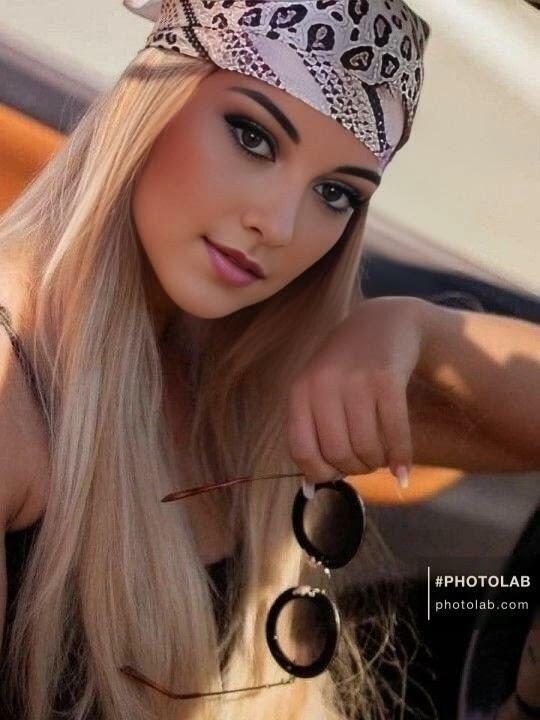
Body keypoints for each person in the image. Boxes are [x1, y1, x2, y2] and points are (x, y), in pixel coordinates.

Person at [0, 1, 538, 719]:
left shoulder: (248, 376)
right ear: (152, 102)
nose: (279, 227)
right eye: (252, 136)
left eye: (335, 193)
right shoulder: (12, 378)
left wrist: (412, 326)